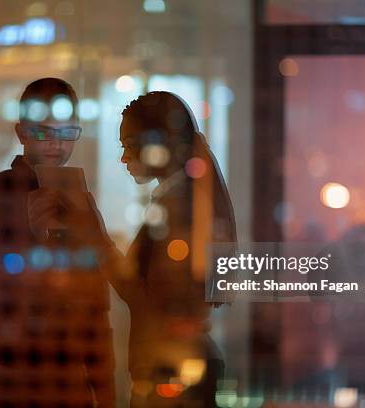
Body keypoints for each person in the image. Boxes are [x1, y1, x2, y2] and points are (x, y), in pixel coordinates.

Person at [61, 91, 237, 407]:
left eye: (129, 145)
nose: (124, 158)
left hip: (174, 373)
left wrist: (94, 236)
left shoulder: (179, 207)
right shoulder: (180, 200)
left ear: (158, 143)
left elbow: (142, 294)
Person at [0, 78, 115, 407]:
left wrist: (103, 389)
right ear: (21, 133)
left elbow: (95, 303)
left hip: (72, 372)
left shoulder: (81, 201)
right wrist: (32, 241)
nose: (56, 145)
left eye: (66, 134)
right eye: (44, 133)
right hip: (13, 372)